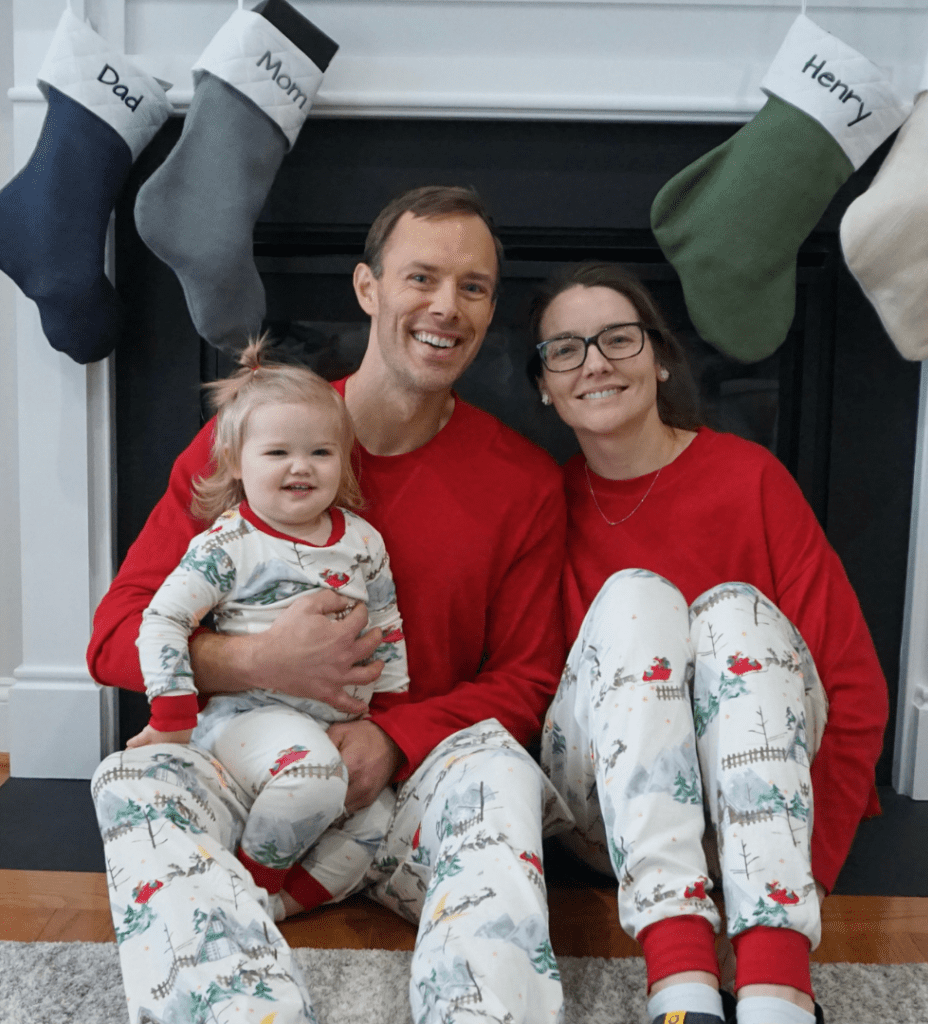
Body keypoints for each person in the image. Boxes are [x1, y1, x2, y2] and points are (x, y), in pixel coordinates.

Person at [88, 186, 572, 1024]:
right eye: (421, 277)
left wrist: (392, 737)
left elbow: (528, 679)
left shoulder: (523, 481)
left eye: (474, 287)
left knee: (501, 772)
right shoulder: (253, 441)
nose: (446, 308)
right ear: (367, 288)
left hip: (411, 799)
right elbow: (114, 635)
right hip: (249, 786)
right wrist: (253, 660)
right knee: (130, 780)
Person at [528, 263, 889, 1024]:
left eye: (617, 339)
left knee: (730, 613)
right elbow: (535, 692)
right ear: (545, 387)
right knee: (635, 598)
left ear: (658, 358)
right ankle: (681, 970)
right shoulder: (541, 504)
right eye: (565, 349)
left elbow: (853, 688)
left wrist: (811, 874)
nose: (594, 361)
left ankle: (775, 980)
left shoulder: (749, 478)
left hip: (761, 811)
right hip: (612, 821)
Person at [128, 338, 410, 904]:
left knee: (378, 816)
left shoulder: (362, 541)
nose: (301, 467)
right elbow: (161, 619)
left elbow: (387, 623)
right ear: (236, 461)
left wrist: (390, 713)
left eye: (321, 453)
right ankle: (251, 885)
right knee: (314, 780)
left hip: (332, 725)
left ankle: (280, 906)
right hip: (248, 719)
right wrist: (172, 715)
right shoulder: (230, 543)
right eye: (277, 453)